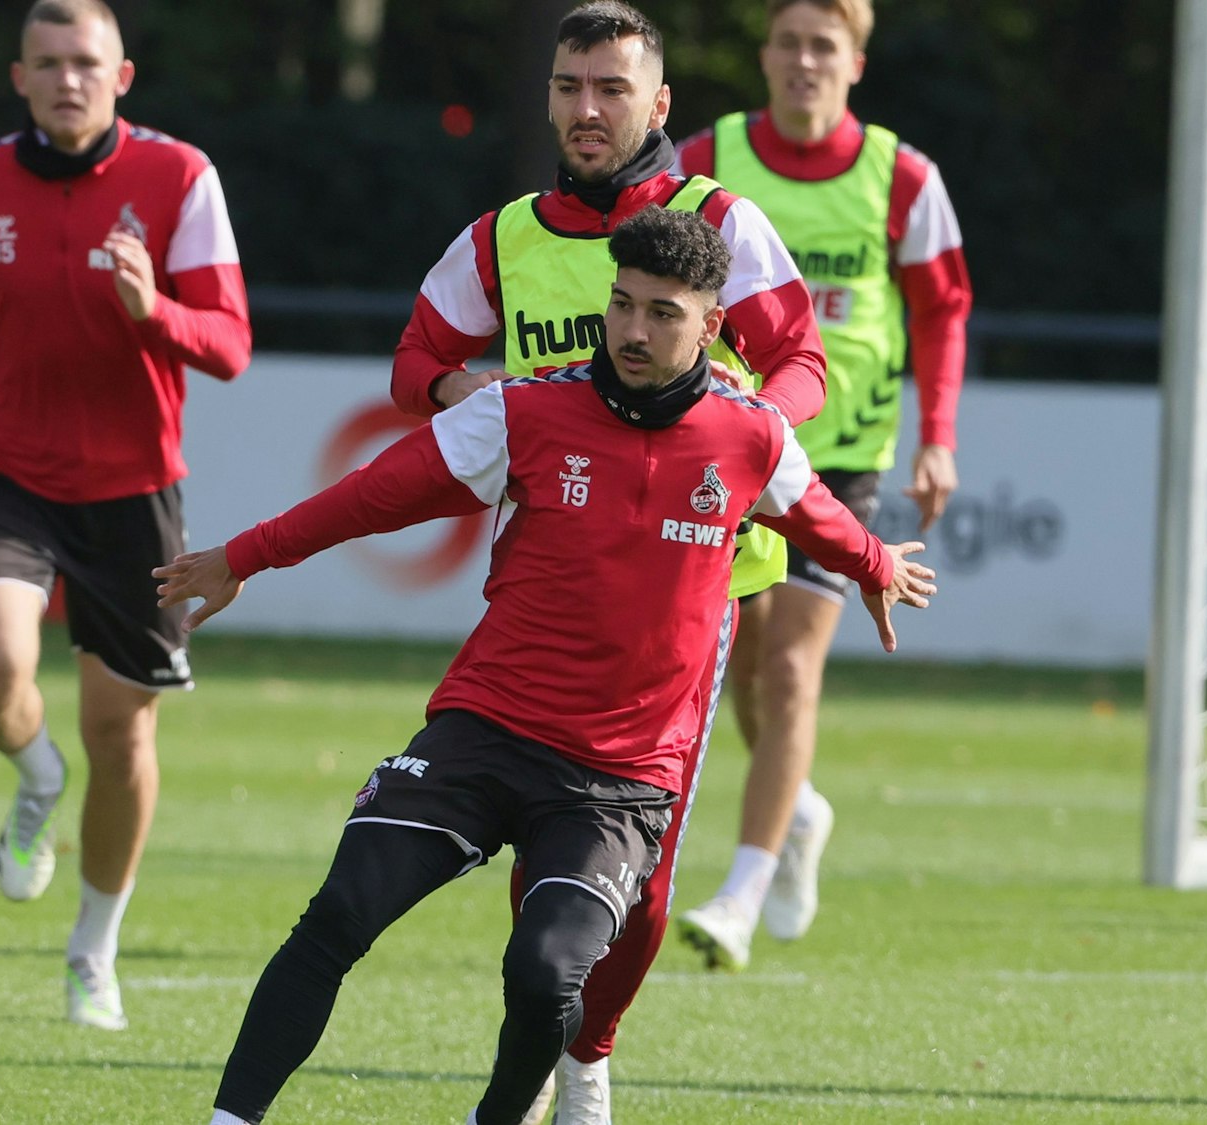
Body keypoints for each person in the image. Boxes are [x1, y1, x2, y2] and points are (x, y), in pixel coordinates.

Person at [166, 208, 935, 1125]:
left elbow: (819, 517)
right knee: (340, 909)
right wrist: (244, 555)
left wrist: (877, 565)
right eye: (623, 305)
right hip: (485, 731)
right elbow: (374, 495)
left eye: (663, 313)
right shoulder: (524, 409)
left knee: (544, 974)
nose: (634, 331)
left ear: (713, 327)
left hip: (616, 780)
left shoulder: (752, 437)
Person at [391, 2, 827, 1117]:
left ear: (658, 103)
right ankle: (548, 1039)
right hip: (546, 587)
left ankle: (589, 1052)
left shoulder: (717, 219)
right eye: (568, 86)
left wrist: (744, 439)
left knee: (639, 874)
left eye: (612, 89)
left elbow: (801, 363)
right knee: (544, 847)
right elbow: (416, 361)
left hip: (692, 596)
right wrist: (472, 391)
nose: (587, 109)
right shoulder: (503, 236)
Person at [0, 0, 250, 1030]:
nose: (67, 79)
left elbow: (228, 343)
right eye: (47, 64)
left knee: (119, 735)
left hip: (134, 494)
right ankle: (35, 779)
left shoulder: (179, 177)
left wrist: (152, 309)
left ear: (120, 77)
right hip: (5, 475)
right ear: (20, 79)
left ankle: (93, 949)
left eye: (85, 62)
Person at [670, 0, 972, 970]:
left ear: (855, 64)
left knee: (794, 669)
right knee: (743, 666)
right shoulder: (705, 160)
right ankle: (795, 808)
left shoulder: (901, 177)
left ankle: (740, 894)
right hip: (731, 444)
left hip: (839, 455)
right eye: (789, 43)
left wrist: (937, 437)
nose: (804, 61)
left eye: (823, 46)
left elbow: (941, 310)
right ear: (763, 56)